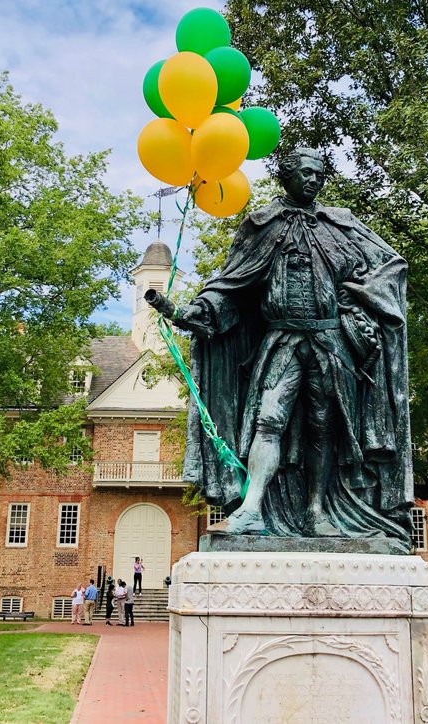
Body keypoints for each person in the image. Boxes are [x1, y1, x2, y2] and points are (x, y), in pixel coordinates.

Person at [148, 147, 413, 547]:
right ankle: (252, 508)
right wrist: (189, 312)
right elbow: (230, 286)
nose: (313, 180)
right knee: (268, 420)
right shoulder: (263, 225)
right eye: (306, 173)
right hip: (281, 342)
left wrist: (358, 295)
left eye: (319, 175)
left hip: (329, 343)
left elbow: (391, 266)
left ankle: (317, 512)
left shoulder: (339, 225)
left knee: (324, 430)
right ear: (286, 176)